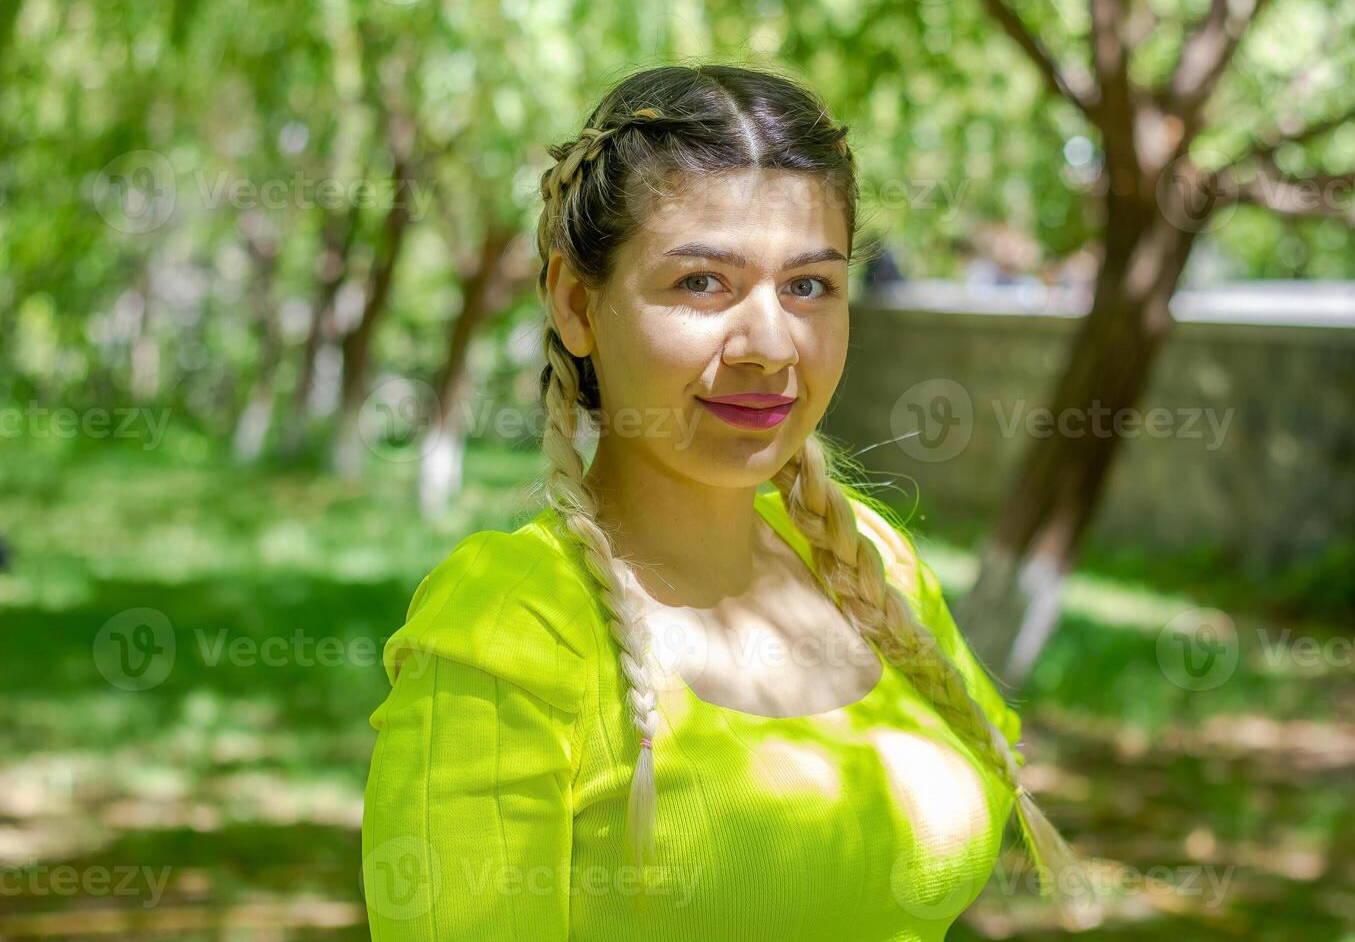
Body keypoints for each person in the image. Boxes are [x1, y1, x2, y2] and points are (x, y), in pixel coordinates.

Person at [361, 63, 1087, 940]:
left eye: (809, 285)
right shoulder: (513, 628)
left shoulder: (870, 560)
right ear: (574, 303)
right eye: (702, 282)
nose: (770, 344)